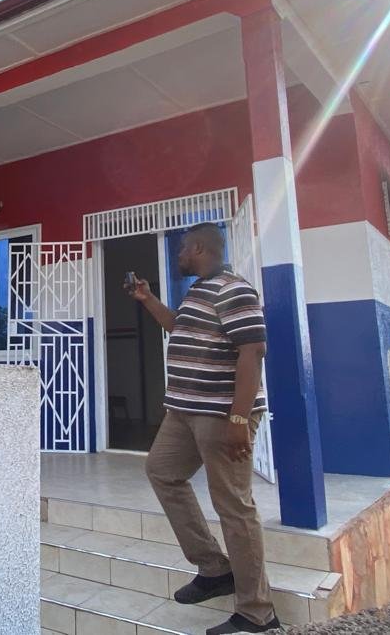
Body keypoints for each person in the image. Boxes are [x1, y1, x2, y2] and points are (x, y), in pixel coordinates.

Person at [127, 223, 280, 635]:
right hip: (184, 412)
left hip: (220, 415)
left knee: (233, 504)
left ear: (197, 248)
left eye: (180, 249)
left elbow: (253, 350)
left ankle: (257, 612)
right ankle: (214, 568)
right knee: (162, 471)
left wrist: (237, 419)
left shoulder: (235, 289)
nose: (177, 255)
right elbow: (178, 327)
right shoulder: (198, 291)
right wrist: (147, 299)